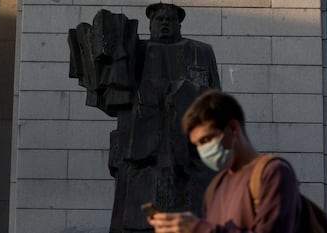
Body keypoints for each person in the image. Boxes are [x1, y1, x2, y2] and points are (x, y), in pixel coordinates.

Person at [68, 3, 220, 233]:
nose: (165, 23)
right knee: (134, 215)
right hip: (140, 150)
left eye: (170, 19)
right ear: (150, 24)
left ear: (179, 24)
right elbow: (111, 99)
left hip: (186, 151)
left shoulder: (201, 51)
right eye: (159, 19)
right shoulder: (133, 52)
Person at [147, 90, 302, 233]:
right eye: (198, 145)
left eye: (207, 139)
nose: (203, 150)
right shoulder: (215, 188)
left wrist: (199, 228)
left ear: (233, 129)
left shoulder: (273, 173)